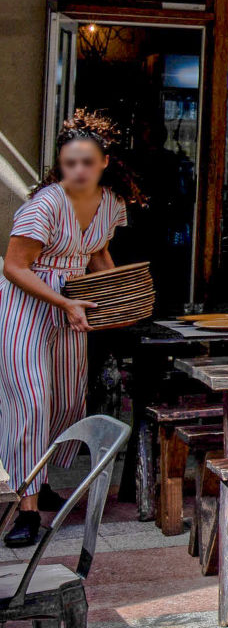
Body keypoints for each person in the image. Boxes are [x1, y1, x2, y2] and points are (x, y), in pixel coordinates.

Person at [1, 110, 144, 548]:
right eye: (69, 163)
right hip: (28, 309)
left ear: (104, 162)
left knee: (64, 400)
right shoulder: (43, 205)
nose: (77, 170)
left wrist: (118, 295)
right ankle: (25, 510)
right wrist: (63, 300)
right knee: (31, 402)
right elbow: (13, 267)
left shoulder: (111, 204)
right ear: (60, 165)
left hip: (72, 308)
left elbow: (97, 251)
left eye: (86, 162)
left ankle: (39, 480)